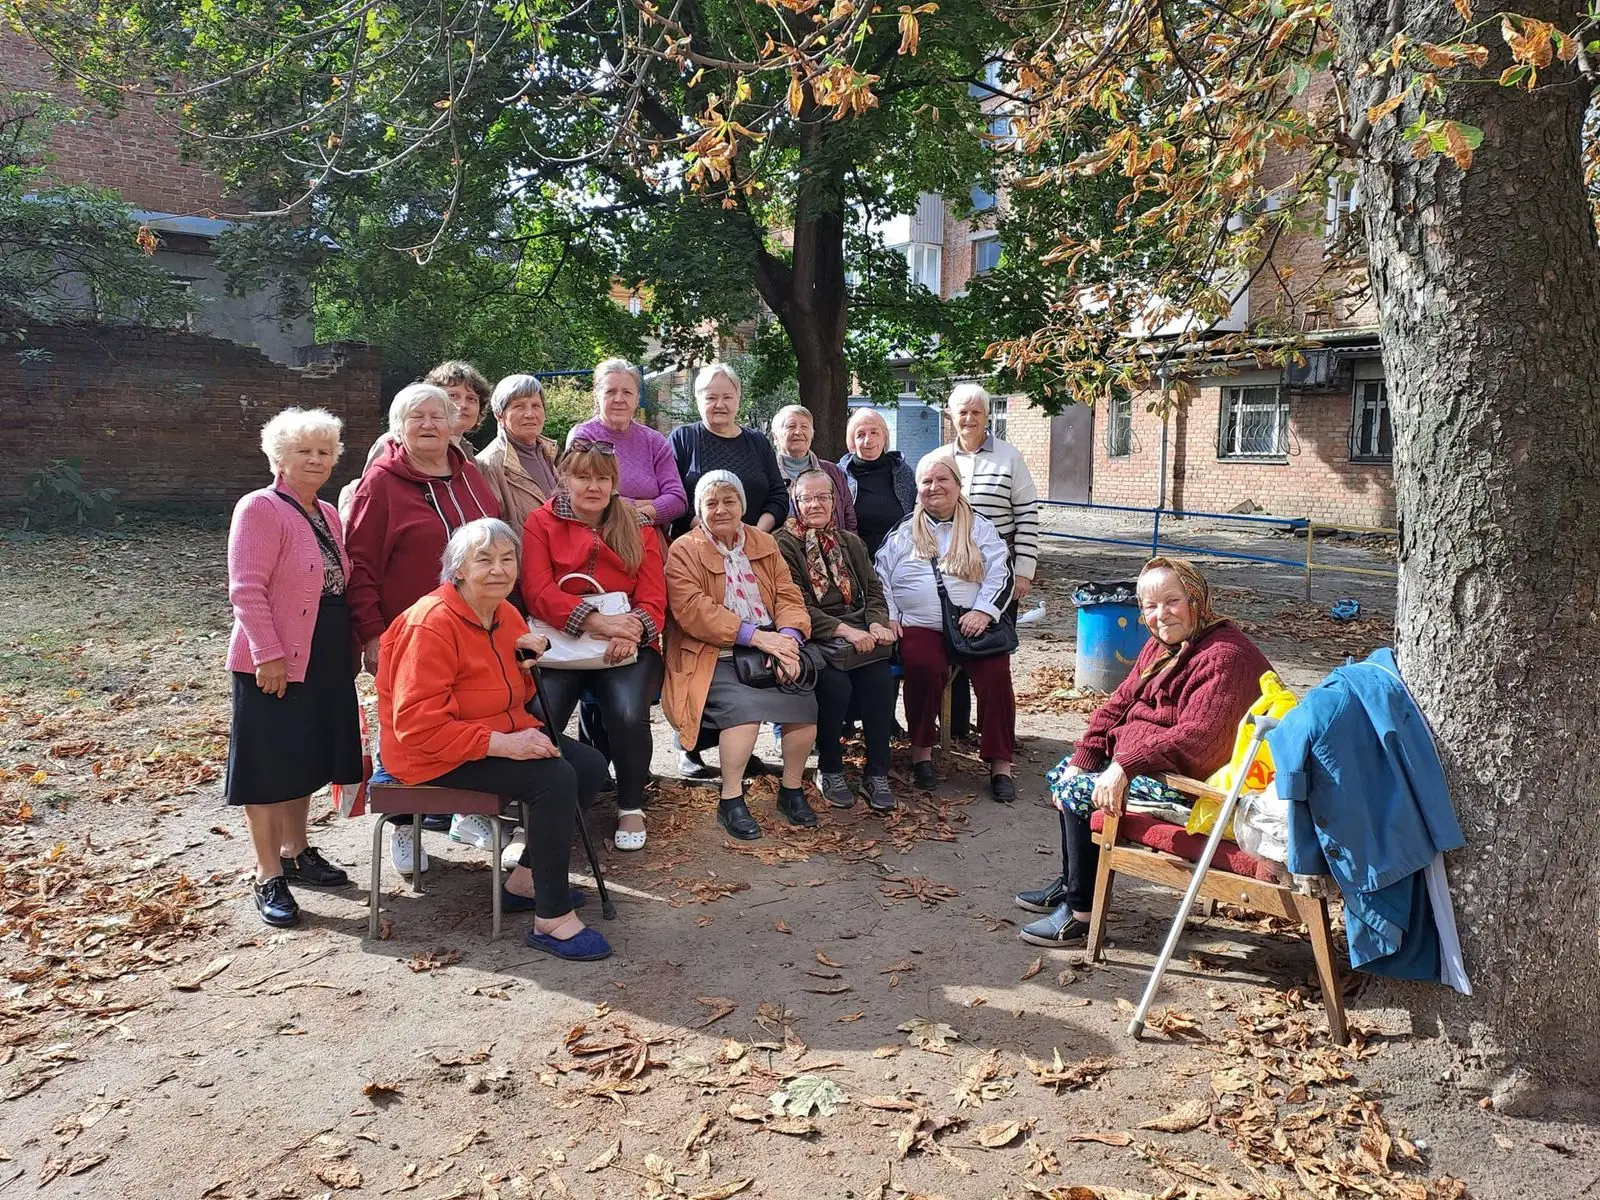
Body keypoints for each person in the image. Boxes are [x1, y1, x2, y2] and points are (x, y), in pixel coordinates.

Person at [377, 519, 612, 960]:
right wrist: (505, 745)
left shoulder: (503, 612)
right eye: (483, 559)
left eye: (507, 559)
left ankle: (525, 881)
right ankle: (552, 920)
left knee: (589, 765)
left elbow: (509, 695)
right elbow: (417, 724)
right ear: (458, 569)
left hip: (490, 732)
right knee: (554, 778)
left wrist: (526, 666)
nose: (498, 569)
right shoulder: (430, 624)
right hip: (430, 752)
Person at [1015, 557, 1273, 948]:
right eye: (1149, 606)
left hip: (1195, 788)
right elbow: (1118, 705)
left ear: (1197, 599)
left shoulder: (1225, 657)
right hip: (1149, 766)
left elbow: (1199, 741)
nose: (1160, 615)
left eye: (1172, 601)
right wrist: (1088, 755)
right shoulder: (1164, 646)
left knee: (1076, 791)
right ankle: (1072, 882)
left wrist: (1124, 766)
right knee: (1064, 773)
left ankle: (1080, 913)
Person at [344, 383, 501, 872]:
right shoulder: (381, 484)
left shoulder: (469, 475)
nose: (430, 425)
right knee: (406, 728)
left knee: (471, 715)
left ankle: (462, 811)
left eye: (438, 415)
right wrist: (371, 632)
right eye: (417, 418)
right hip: (409, 633)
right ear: (399, 427)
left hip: (476, 627)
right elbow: (360, 564)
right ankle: (404, 827)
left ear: (455, 422)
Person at [224, 408, 362, 928]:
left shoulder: (327, 512)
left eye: (325, 451)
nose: (316, 459)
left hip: (322, 652)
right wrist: (268, 654)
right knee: (267, 766)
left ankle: (297, 851)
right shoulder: (258, 507)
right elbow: (247, 590)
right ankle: (267, 874)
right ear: (279, 456)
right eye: (304, 450)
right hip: (274, 656)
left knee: (303, 758)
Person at [521, 441, 667, 851]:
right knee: (538, 713)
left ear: (615, 482)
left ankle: (631, 804)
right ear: (564, 479)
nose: (593, 486)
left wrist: (631, 631)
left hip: (626, 641)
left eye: (603, 478)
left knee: (626, 711)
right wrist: (597, 622)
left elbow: (655, 599)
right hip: (560, 640)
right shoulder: (541, 522)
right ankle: (530, 813)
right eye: (583, 476)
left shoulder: (638, 525)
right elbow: (537, 591)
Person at [663, 471, 819, 841]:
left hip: (771, 646)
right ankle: (730, 799)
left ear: (742, 506)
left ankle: (792, 790)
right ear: (699, 510)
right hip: (712, 652)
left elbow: (788, 594)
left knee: (803, 707)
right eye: (711, 502)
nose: (721, 510)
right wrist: (757, 638)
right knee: (744, 716)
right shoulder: (684, 549)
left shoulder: (763, 542)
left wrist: (789, 639)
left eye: (729, 501)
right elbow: (693, 610)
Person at [875, 455, 1018, 801]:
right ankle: (921, 752)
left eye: (942, 480)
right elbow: (880, 576)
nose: (933, 487)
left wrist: (984, 612)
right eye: (926, 482)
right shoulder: (903, 531)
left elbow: (1002, 572)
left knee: (996, 673)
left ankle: (1000, 763)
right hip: (919, 626)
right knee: (923, 667)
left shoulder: (980, 527)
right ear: (918, 489)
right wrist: (891, 616)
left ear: (958, 486)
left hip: (972, 623)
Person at [919, 383, 1041, 743]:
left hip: (997, 571)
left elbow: (1027, 515)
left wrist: (1024, 570)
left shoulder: (1009, 457)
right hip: (950, 572)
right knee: (951, 644)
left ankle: (997, 733)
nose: (969, 418)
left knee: (992, 651)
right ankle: (955, 729)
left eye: (977, 412)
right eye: (962, 412)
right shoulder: (940, 458)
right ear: (951, 416)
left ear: (987, 415)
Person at [775, 470, 897, 813]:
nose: (815, 504)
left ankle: (877, 772)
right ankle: (829, 768)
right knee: (835, 685)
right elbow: (794, 604)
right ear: (796, 503)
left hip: (858, 630)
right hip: (813, 635)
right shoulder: (782, 544)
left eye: (823, 497)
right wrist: (845, 631)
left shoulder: (849, 541)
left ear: (835, 500)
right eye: (807, 498)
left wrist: (875, 623)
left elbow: (873, 590)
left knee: (879, 680)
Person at [341, 361, 490, 515]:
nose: (462, 405)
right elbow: (371, 499)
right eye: (453, 396)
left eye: (471, 398)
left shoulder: (467, 452)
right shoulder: (394, 443)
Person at [565, 357, 688, 532]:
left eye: (627, 392)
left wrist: (635, 512)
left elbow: (677, 500)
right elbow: (584, 496)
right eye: (610, 391)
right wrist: (647, 504)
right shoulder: (583, 437)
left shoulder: (654, 441)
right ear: (597, 396)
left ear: (637, 399)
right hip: (598, 538)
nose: (619, 399)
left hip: (649, 543)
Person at [668, 362, 787, 539]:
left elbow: (778, 498)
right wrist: (714, 535)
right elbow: (674, 498)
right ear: (698, 400)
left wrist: (754, 535)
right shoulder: (682, 439)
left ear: (738, 399)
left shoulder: (758, 442)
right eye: (711, 398)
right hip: (697, 546)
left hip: (754, 545)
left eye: (727, 397)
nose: (719, 404)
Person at [476, 374, 560, 536]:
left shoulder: (549, 453)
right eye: (519, 406)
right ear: (499, 415)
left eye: (536, 405)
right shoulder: (489, 464)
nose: (530, 414)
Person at [838, 408, 918, 556]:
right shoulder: (840, 475)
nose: (869, 440)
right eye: (860, 435)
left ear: (884, 438)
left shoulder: (903, 472)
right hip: (856, 562)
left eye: (874, 432)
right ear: (852, 442)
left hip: (900, 560)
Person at [770, 405, 857, 532]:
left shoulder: (833, 472)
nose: (798, 432)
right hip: (780, 549)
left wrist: (850, 549)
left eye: (804, 427)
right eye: (790, 426)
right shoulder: (767, 473)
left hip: (832, 549)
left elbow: (849, 520)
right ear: (775, 436)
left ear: (811, 434)